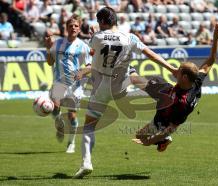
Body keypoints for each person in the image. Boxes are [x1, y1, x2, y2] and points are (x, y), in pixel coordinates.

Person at [73, 7, 178, 179]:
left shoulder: (97, 38)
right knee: (139, 85)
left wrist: (93, 35)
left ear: (101, 21)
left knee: (89, 126)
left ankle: (86, 163)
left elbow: (93, 50)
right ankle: (161, 119)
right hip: (120, 86)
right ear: (115, 20)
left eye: (99, 22)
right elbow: (150, 54)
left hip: (101, 88)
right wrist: (171, 67)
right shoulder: (130, 38)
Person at [132, 23, 218, 152]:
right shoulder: (196, 80)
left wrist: (149, 141)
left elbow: (172, 127)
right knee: (146, 82)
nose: (175, 71)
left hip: (164, 119)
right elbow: (211, 60)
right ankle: (129, 70)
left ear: (185, 77)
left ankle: (164, 140)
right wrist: (216, 36)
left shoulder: (182, 103)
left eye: (178, 71)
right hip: (171, 93)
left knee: (140, 136)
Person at [44, 15, 92, 153]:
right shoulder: (58, 43)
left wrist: (82, 72)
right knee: (55, 108)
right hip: (59, 82)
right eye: (71, 26)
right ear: (66, 28)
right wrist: (48, 49)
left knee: (72, 116)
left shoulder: (83, 46)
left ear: (79, 28)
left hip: (75, 85)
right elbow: (50, 62)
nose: (73, 28)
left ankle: (71, 142)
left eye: (76, 26)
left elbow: (90, 66)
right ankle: (59, 122)